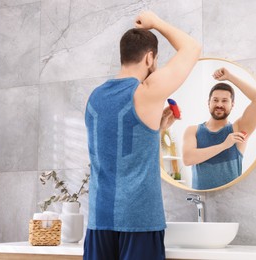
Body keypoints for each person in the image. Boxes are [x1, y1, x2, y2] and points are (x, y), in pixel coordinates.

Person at [84, 11, 201, 260]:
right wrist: (156, 22)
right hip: (139, 220)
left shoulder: (94, 97)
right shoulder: (147, 90)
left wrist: (156, 128)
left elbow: (116, 145)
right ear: (149, 58)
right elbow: (191, 48)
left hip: (98, 221)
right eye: (155, 60)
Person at [182, 67, 256, 190]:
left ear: (232, 105)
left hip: (231, 202)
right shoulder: (192, 131)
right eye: (215, 100)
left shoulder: (238, 129)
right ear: (208, 102)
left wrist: (230, 77)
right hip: (202, 200)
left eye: (224, 101)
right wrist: (224, 145)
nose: (219, 104)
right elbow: (188, 159)